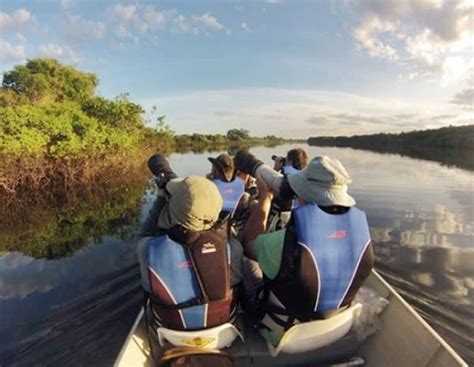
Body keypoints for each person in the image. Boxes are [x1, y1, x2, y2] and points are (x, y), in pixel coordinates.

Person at [235, 151, 373, 347]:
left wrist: (265, 198)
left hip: (288, 335)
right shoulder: (361, 232)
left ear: (303, 194)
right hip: (338, 327)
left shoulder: (283, 243)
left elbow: (248, 243)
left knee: (245, 260)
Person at [137, 154, 243, 334]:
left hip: (170, 332)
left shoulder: (148, 249)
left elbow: (144, 234)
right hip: (222, 330)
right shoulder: (233, 249)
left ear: (173, 207)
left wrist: (162, 199)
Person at [270, 148, 309, 229]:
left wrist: (275, 169)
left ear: (290, 161)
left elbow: (269, 190)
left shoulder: (287, 177)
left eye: (286, 159)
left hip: (281, 214)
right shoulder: (304, 176)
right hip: (298, 215)